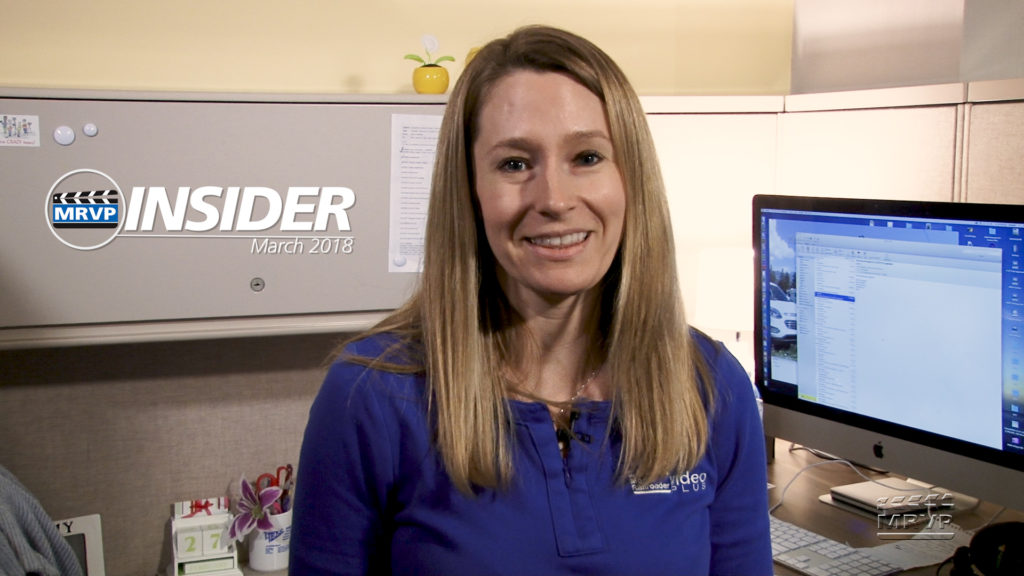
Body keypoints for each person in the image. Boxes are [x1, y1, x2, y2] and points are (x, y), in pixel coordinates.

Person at [289, 25, 772, 576]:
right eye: (515, 164)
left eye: (587, 157)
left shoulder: (711, 389)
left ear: (630, 178)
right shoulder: (372, 397)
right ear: (469, 191)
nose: (555, 199)